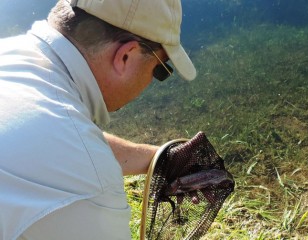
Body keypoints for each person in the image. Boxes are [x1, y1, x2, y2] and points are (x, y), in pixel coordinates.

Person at [0, 0, 196, 239]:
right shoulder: (89, 182)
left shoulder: (10, 55)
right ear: (125, 56)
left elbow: (55, 141)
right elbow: (74, 151)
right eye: (160, 70)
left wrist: (163, 159)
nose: (151, 83)